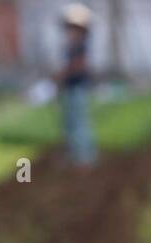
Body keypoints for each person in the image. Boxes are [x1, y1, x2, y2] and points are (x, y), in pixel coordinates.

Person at [56, 4, 97, 166]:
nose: (70, 31)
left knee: (80, 122)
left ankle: (85, 158)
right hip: (69, 87)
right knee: (69, 123)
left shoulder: (80, 46)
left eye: (73, 28)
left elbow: (78, 66)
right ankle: (74, 155)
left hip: (77, 88)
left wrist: (62, 74)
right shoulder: (70, 46)